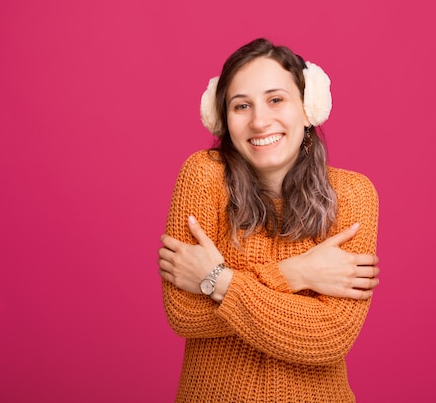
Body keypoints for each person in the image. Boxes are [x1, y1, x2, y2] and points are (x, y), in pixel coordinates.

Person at [158, 37, 380, 402]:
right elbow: (184, 313)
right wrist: (298, 274)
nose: (260, 121)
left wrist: (217, 280)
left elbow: (329, 336)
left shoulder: (354, 194)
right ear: (224, 120)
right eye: (241, 106)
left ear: (309, 108)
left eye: (276, 100)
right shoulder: (202, 176)